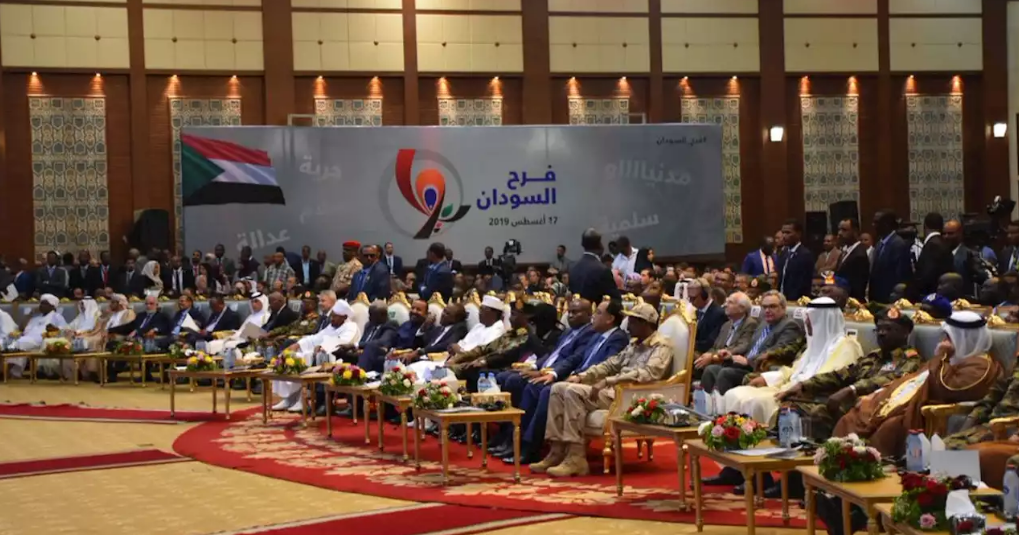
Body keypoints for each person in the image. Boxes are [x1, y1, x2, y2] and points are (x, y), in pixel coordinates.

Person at [532, 303, 672, 477]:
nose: (627, 325)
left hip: (632, 395)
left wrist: (607, 381)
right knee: (558, 388)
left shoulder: (661, 346)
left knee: (574, 392)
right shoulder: (634, 344)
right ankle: (556, 451)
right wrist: (583, 376)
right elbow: (611, 364)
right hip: (613, 390)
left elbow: (648, 374)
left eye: (632, 321)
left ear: (645, 323)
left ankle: (576, 458)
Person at [834, 310, 1000, 456]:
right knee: (853, 416)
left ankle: (871, 469)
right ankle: (838, 463)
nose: (944, 341)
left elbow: (945, 388)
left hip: (921, 409)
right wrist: (876, 394)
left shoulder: (980, 365)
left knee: (890, 426)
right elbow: (912, 379)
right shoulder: (947, 359)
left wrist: (942, 357)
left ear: (964, 339)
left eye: (949, 337)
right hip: (903, 402)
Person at [497, 299, 626, 464]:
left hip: (592, 383)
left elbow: (605, 366)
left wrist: (574, 376)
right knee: (531, 385)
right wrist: (553, 373)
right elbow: (574, 358)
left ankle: (531, 447)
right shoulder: (597, 335)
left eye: (598, 313)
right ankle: (515, 440)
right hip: (573, 377)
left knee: (544, 390)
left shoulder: (618, 338)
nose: (594, 316)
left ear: (610, 319)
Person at [779, 307, 919, 441]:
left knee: (819, 413)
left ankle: (824, 451)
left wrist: (851, 389)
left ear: (905, 332)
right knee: (791, 406)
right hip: (848, 405)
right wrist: (804, 385)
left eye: (889, 329)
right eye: (879, 329)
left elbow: (892, 380)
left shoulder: (911, 360)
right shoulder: (873, 356)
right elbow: (842, 374)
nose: (882, 333)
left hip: (873, 411)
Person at [723, 296, 861, 425]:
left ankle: (758, 438)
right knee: (733, 394)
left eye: (811, 320)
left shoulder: (847, 346)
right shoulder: (813, 344)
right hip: (787, 387)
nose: (807, 323)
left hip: (808, 395)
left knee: (758, 403)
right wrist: (767, 378)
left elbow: (835, 377)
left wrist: (802, 386)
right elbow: (795, 370)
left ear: (824, 321)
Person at [274, 300, 360, 413]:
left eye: (335, 316)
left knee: (306, 358)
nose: (332, 319)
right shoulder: (332, 326)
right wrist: (297, 344)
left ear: (344, 317)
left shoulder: (351, 327)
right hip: (320, 355)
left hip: (338, 358)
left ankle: (301, 399)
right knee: (292, 355)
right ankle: (290, 398)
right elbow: (315, 338)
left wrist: (323, 346)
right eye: (332, 316)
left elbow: (343, 342)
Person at [946, 359, 1019, 488]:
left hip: (1010, 431)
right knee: (942, 448)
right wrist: (970, 421)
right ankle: (945, 494)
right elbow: (993, 395)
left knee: (976, 457)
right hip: (988, 427)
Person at [694, 291, 759, 379]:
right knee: (694, 358)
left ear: (742, 308)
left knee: (710, 369)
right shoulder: (726, 325)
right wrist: (707, 355)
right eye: (726, 301)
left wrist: (713, 356)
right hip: (719, 359)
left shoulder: (750, 323)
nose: (725, 305)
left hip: (732, 363)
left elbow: (741, 347)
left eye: (730, 302)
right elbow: (715, 346)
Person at [6, 294, 69, 378]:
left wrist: (52, 330)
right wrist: (30, 313)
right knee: (15, 344)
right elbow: (22, 328)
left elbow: (63, 330)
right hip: (28, 339)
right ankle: (13, 373)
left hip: (41, 340)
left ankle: (9, 372)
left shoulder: (57, 316)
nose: (41, 306)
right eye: (41, 303)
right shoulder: (36, 317)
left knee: (18, 344)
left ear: (52, 306)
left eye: (44, 304)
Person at [867, 210, 913, 303]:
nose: (873, 225)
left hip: (890, 299)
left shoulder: (898, 244)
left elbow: (900, 276)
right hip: (877, 298)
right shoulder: (879, 243)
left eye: (876, 222)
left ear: (886, 224)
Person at [909, 212, 954, 301]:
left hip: (931, 298)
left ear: (925, 226)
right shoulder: (945, 244)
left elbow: (926, 275)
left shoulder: (932, 245)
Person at [345, 301, 398, 373]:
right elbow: (362, 341)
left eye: (372, 315)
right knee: (343, 350)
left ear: (383, 315)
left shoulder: (391, 325)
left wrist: (356, 345)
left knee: (371, 346)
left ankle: (359, 374)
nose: (369, 317)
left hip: (380, 353)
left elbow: (382, 342)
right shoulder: (369, 325)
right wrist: (356, 348)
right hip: (365, 353)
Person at [944, 219, 989, 298]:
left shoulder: (969, 254)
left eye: (950, 233)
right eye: (944, 233)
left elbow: (982, 277)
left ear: (960, 234)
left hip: (965, 298)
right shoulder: (941, 253)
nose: (946, 236)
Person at [832, 218, 869, 303]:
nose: (839, 233)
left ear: (855, 232)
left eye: (844, 230)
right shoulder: (846, 250)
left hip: (852, 302)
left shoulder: (859, 254)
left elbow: (858, 286)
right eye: (839, 229)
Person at [777, 219, 814, 301]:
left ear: (798, 234)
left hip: (797, 300)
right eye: (783, 232)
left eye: (788, 233)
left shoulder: (805, 255)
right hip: (781, 299)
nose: (784, 236)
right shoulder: (783, 253)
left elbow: (803, 282)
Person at [687, 278, 725, 354]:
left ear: (705, 295)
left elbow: (710, 342)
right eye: (689, 298)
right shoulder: (697, 312)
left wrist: (687, 345)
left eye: (693, 298)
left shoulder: (718, 314)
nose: (690, 302)